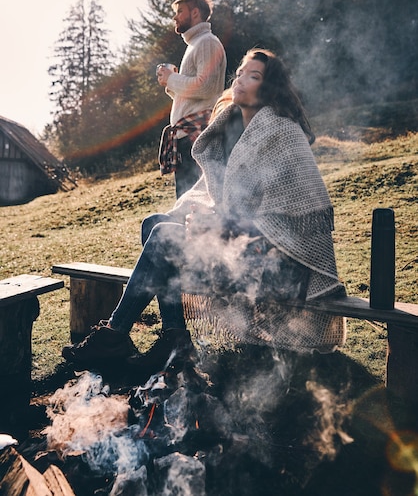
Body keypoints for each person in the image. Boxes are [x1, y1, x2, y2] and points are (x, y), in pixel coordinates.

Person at [62, 48, 346, 376]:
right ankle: (173, 337)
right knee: (156, 224)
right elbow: (214, 194)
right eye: (240, 72)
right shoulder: (228, 128)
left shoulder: (283, 132)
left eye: (253, 76)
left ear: (270, 89)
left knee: (163, 237)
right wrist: (203, 219)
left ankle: (123, 335)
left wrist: (221, 225)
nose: (240, 78)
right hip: (235, 251)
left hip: (275, 265)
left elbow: (301, 215)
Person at [157, 0, 227, 198]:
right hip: (188, 135)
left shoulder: (206, 42)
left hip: (197, 136)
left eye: (180, 11)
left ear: (195, 13)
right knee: (187, 200)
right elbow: (198, 93)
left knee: (194, 201)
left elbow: (205, 87)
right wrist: (170, 83)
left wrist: (171, 78)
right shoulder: (197, 44)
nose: (175, 17)